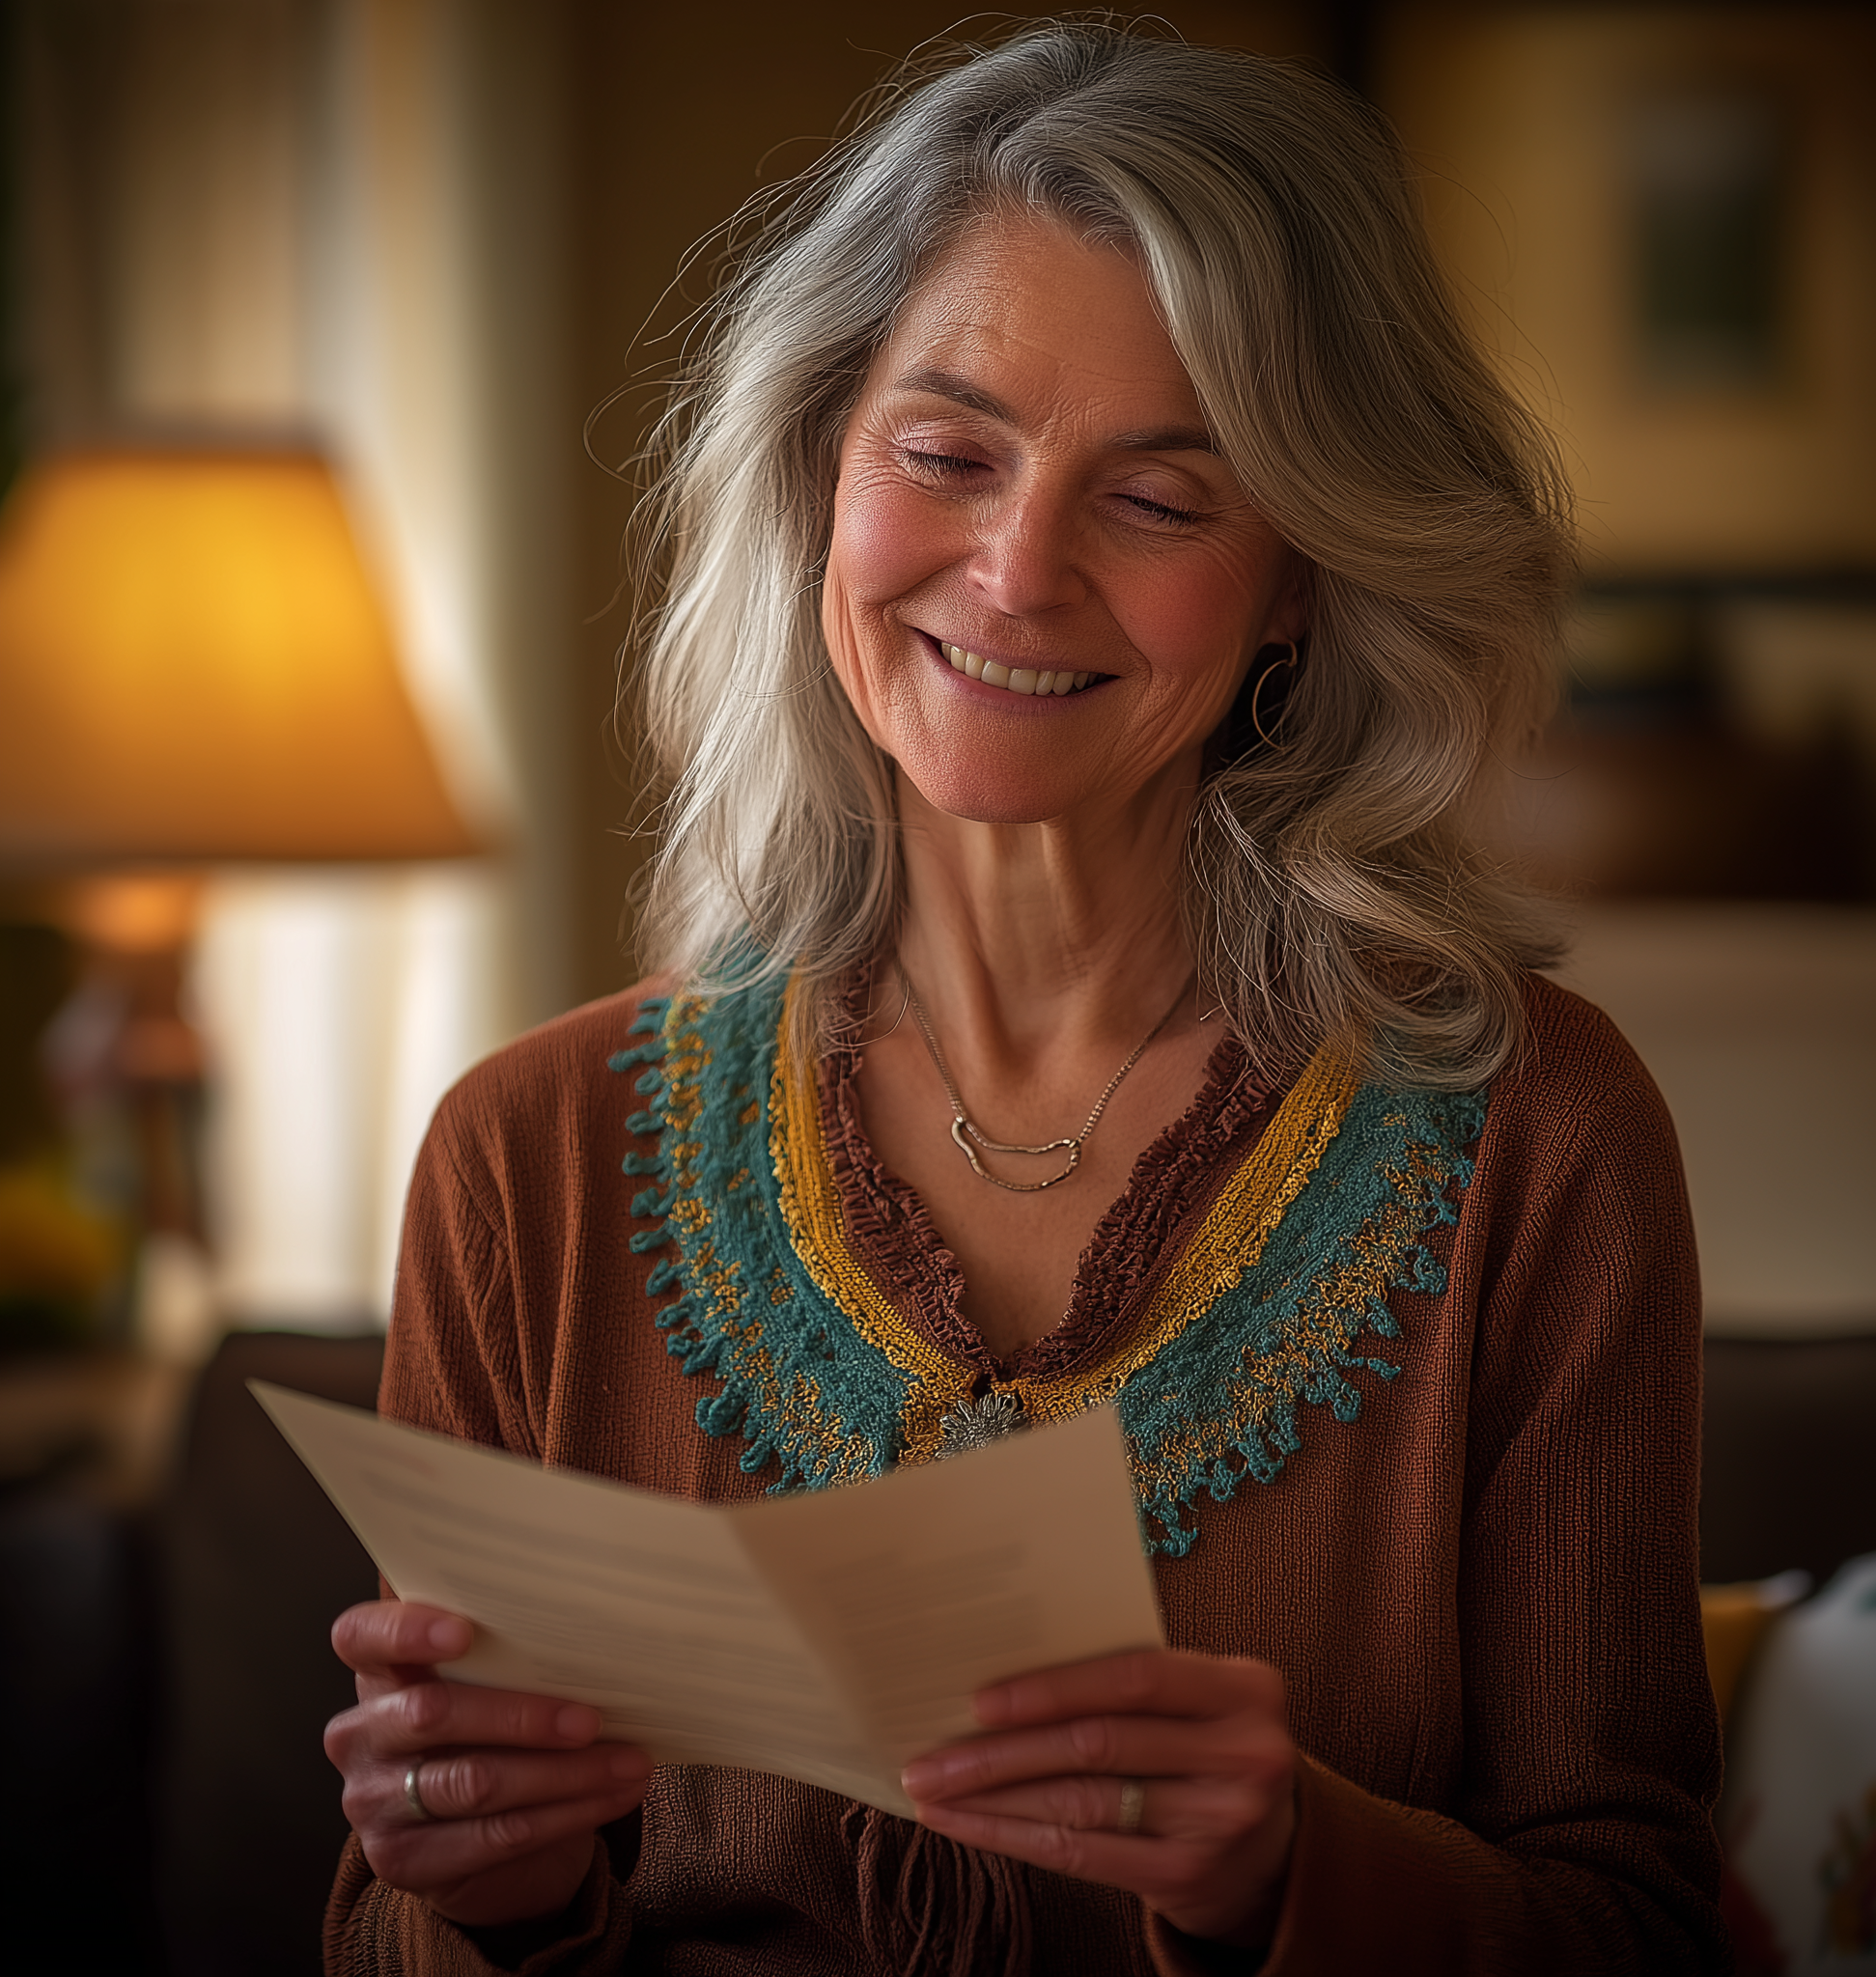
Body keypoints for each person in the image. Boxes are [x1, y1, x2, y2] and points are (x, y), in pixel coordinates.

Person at [322, 21, 1727, 1975]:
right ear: (824, 468)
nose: (1014, 570)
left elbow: (1636, 1925)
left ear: (1300, 578)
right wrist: (482, 1896)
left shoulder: (1537, 1132)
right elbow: (380, 1936)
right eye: (945, 454)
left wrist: (1286, 1873)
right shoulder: (520, 1158)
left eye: (1158, 498)